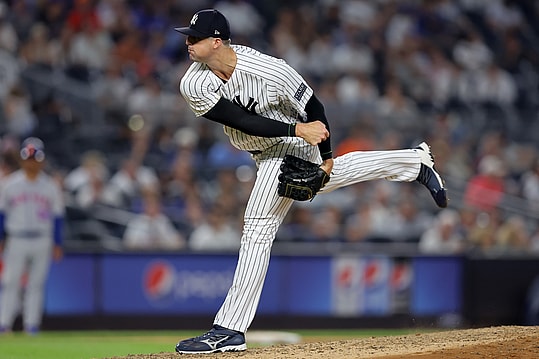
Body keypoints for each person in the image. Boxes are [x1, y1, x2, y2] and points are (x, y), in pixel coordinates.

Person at [172, 9, 448, 354]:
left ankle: (230, 328)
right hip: (270, 147)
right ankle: (413, 161)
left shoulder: (271, 70)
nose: (187, 42)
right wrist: (310, 144)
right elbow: (240, 120)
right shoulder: (193, 82)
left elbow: (314, 108)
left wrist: (326, 154)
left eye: (194, 37)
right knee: (332, 178)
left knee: (258, 225)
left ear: (216, 41)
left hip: (294, 145)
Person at [0, 137, 65, 334]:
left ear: (42, 161)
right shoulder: (10, 184)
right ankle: (4, 324)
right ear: (21, 160)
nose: (32, 162)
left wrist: (57, 242)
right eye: (28, 158)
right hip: (17, 238)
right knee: (10, 282)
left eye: (35, 159)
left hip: (42, 238)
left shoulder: (50, 186)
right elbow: (1, 214)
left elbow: (58, 216)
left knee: (36, 284)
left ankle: (31, 325)